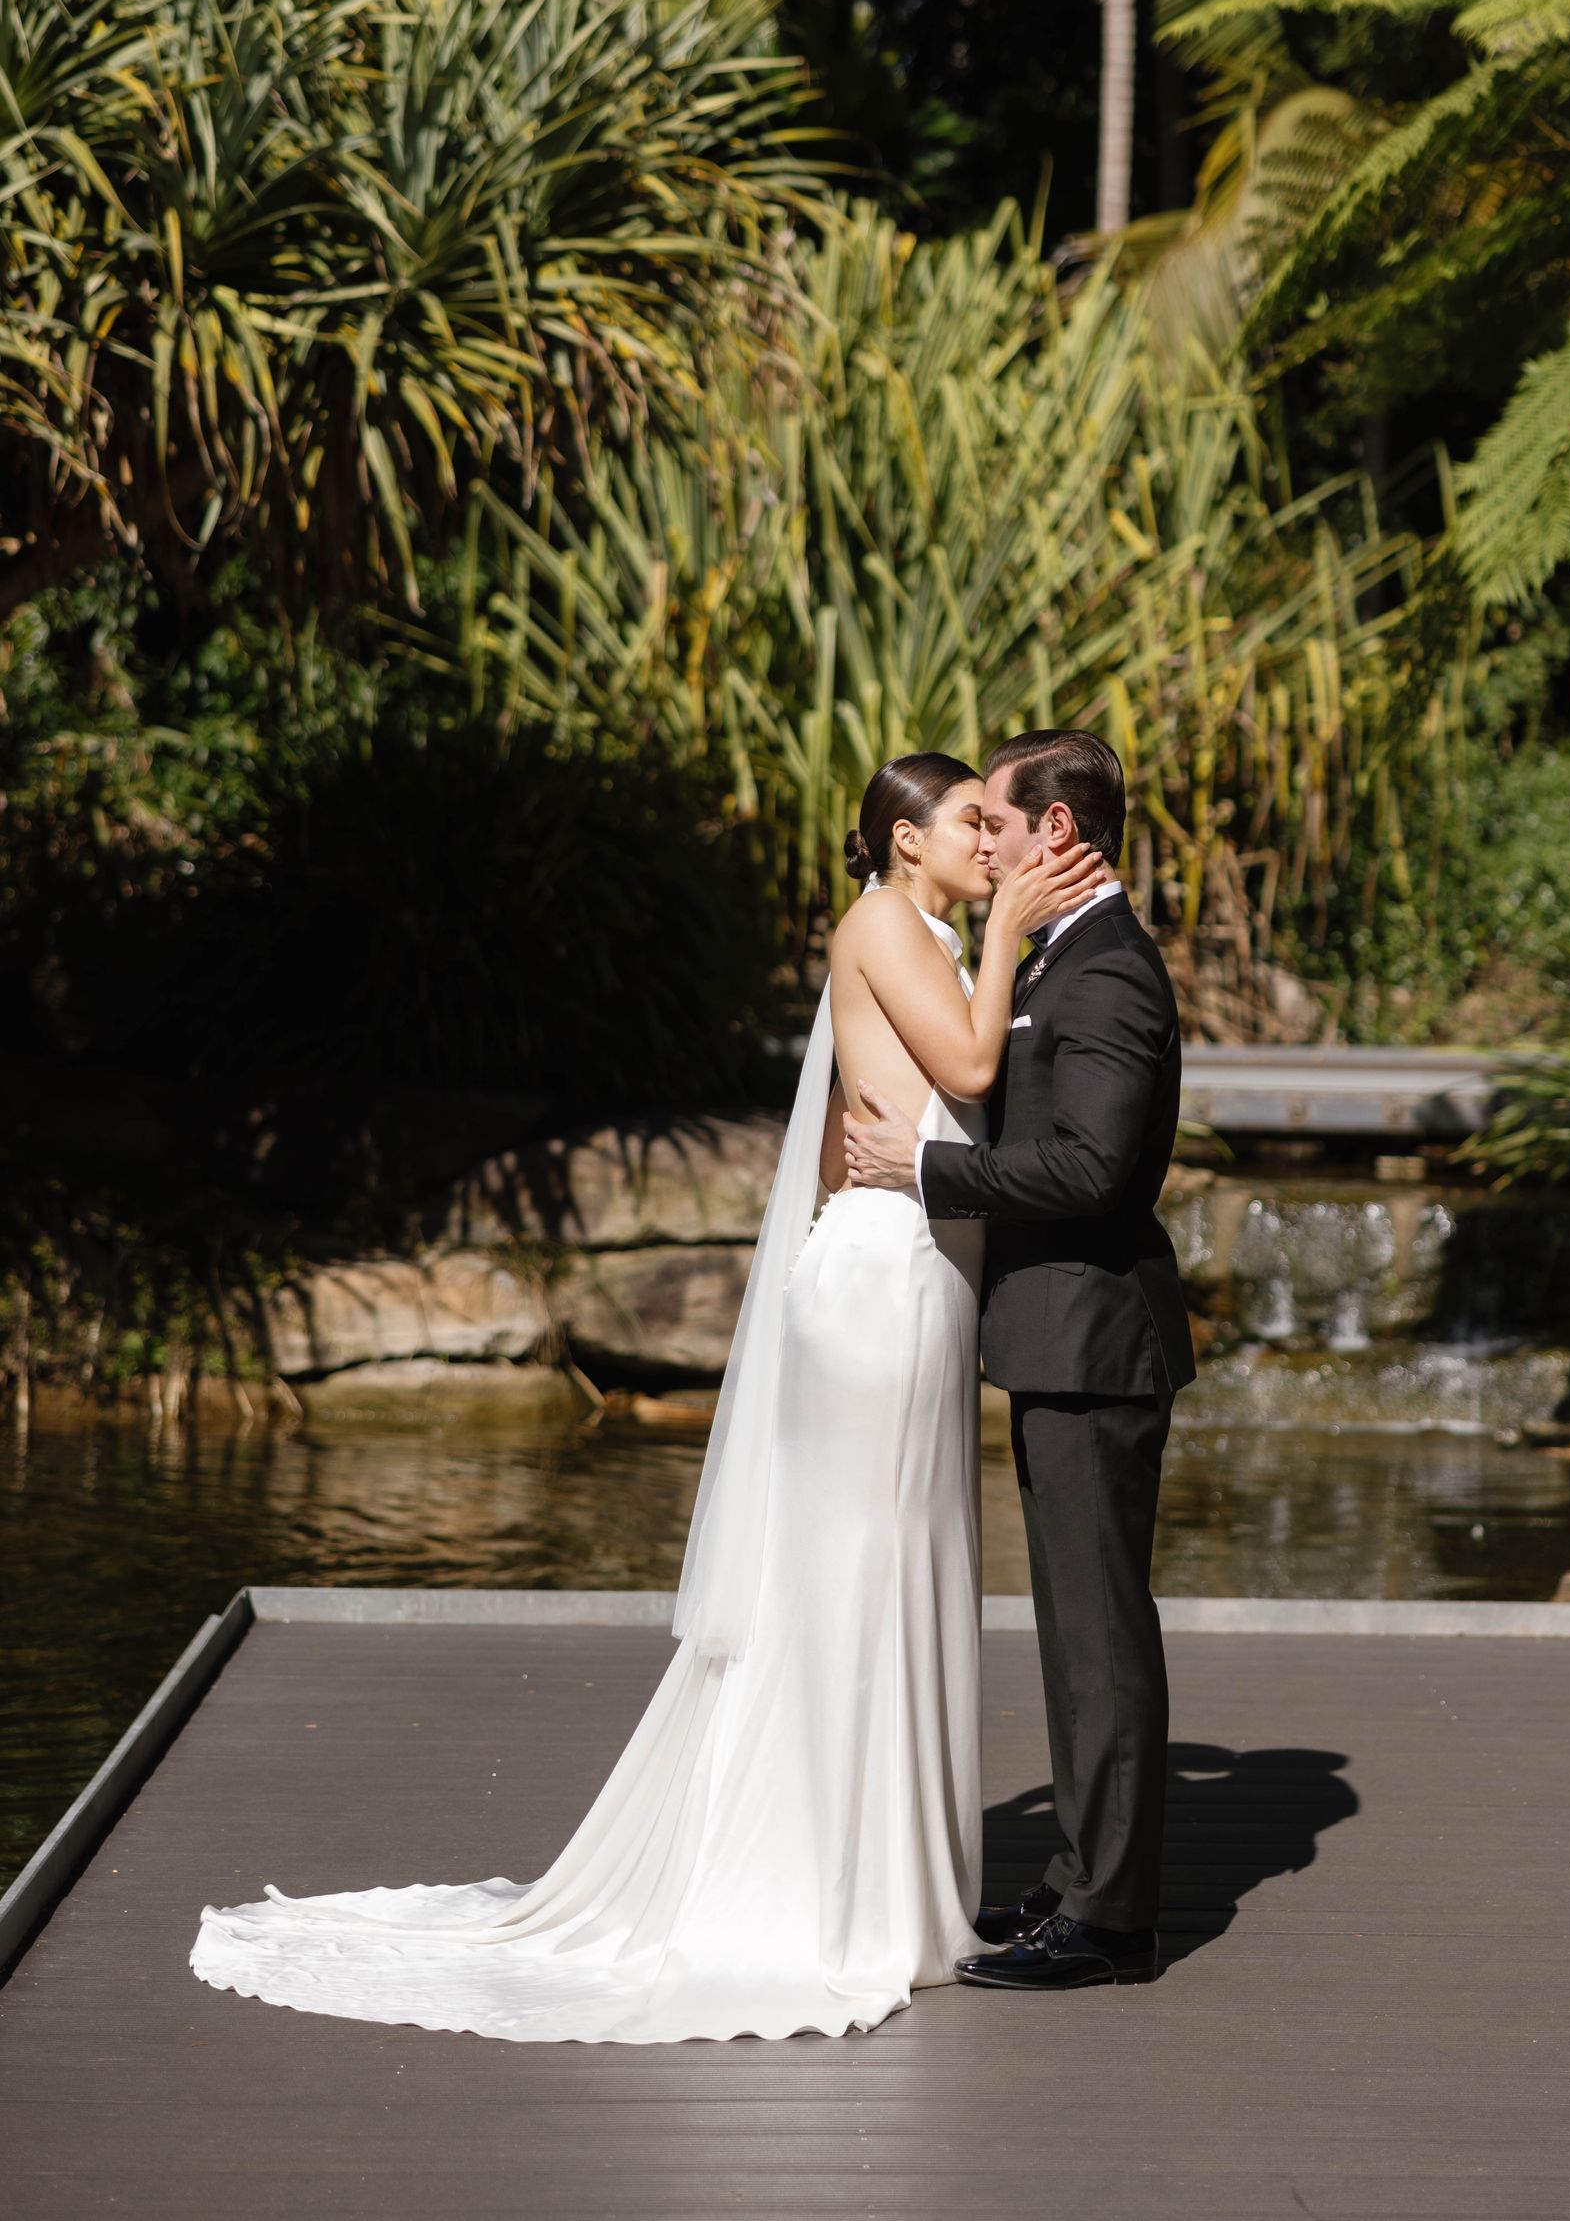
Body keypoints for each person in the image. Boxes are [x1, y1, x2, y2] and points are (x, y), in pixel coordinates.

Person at [189, 752, 1100, 2045]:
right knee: (851, 1572)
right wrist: (1012, 933)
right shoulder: (887, 922)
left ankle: (896, 1887)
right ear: (905, 836)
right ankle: (823, 1895)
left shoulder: (931, 928)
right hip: (880, 1278)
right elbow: (964, 1064)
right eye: (969, 822)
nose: (991, 842)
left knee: (906, 1568)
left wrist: (1000, 943)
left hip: (926, 1270)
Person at [845, 728, 1193, 1991]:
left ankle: (1112, 1923)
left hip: (1097, 1336)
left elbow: (1096, 1168)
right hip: (1059, 1339)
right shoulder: (1060, 950)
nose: (982, 837)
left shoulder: (1105, 970)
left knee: (1099, 1630)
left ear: (1056, 830)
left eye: (997, 818)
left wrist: (929, 1169)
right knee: (1074, 1626)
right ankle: (1078, 1881)